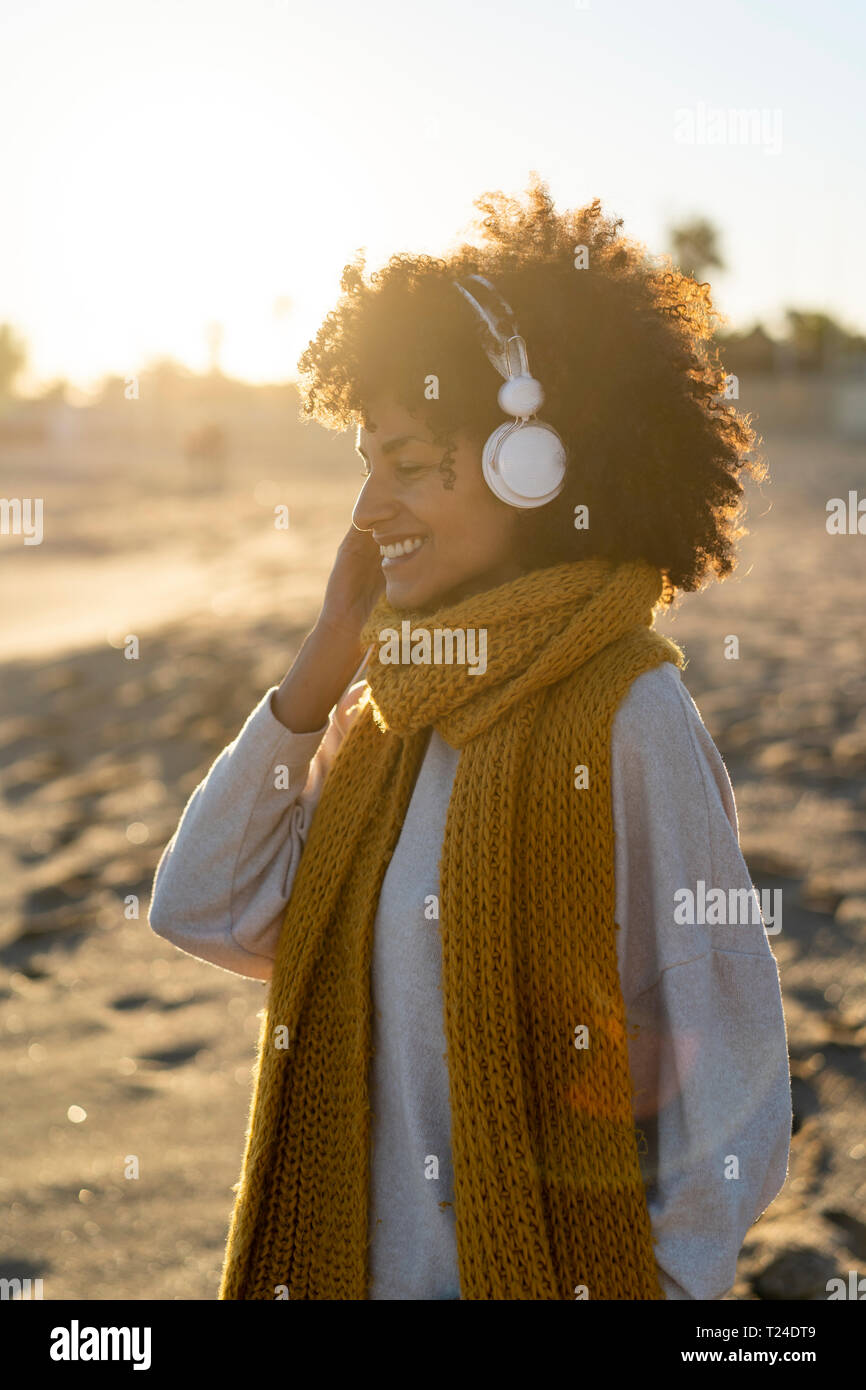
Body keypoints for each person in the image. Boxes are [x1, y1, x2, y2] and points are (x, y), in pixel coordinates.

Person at [148, 178, 792, 1300]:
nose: (367, 507)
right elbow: (201, 905)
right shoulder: (385, 716)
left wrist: (665, 1289)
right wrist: (324, 657)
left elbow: (729, 1068)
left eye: (405, 464)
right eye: (364, 465)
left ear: (527, 465)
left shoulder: (629, 713)